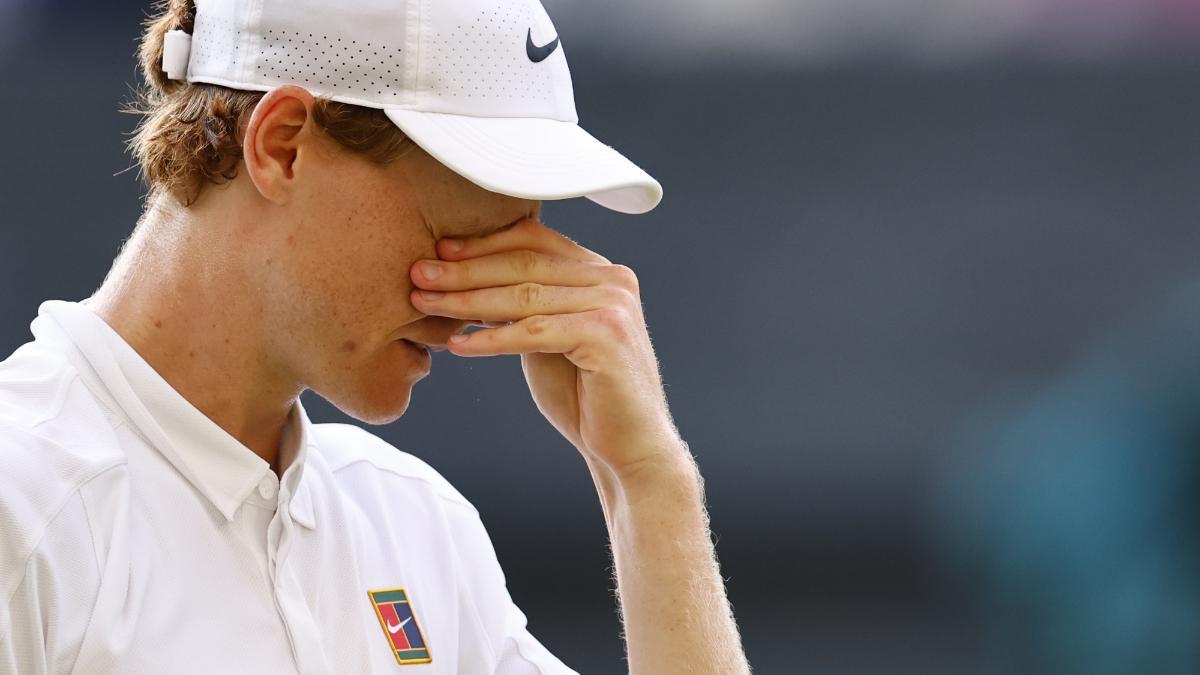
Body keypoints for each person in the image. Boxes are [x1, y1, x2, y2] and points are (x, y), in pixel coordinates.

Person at [0, 0, 750, 673]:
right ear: (283, 146)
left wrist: (650, 484)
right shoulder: (21, 506)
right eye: (455, 238)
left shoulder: (415, 526)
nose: (473, 308)